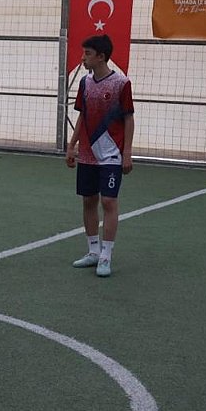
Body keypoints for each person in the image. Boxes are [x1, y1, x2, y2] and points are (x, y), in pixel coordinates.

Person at [65, 34, 135, 278]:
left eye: (87, 54)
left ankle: (106, 256)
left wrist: (127, 152)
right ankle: (93, 251)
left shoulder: (121, 83)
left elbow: (128, 118)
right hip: (87, 154)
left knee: (109, 202)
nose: (83, 58)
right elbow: (82, 115)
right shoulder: (85, 83)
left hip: (111, 155)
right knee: (88, 200)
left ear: (101, 56)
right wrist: (72, 145)